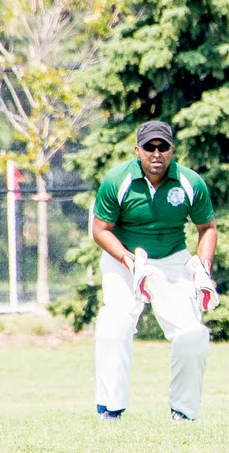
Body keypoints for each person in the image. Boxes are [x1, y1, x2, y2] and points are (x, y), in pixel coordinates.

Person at [88, 120, 219, 422]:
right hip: (124, 257)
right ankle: (111, 408)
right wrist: (128, 260)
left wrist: (203, 267)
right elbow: (100, 230)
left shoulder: (189, 182)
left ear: (172, 150)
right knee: (115, 323)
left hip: (172, 258)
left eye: (163, 147)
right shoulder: (117, 180)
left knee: (192, 334)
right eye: (149, 147)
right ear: (138, 150)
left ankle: (183, 411)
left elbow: (207, 228)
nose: (156, 153)